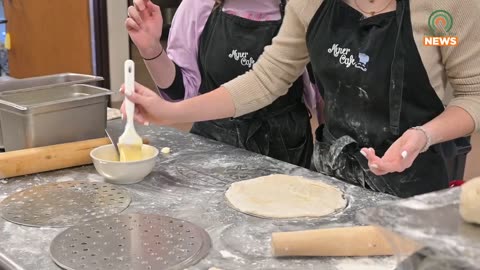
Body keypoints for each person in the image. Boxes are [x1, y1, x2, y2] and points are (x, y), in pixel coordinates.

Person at [122, 0, 480, 198]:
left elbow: (472, 94)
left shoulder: (443, 12)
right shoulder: (310, 3)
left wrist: (422, 135)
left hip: (418, 179)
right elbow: (266, 79)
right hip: (333, 175)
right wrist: (170, 111)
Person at [125, 0, 324, 168]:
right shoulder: (199, 5)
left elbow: (327, 95)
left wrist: (328, 159)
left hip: (285, 148)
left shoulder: (304, 8)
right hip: (212, 144)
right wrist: (150, 48)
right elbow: (181, 91)